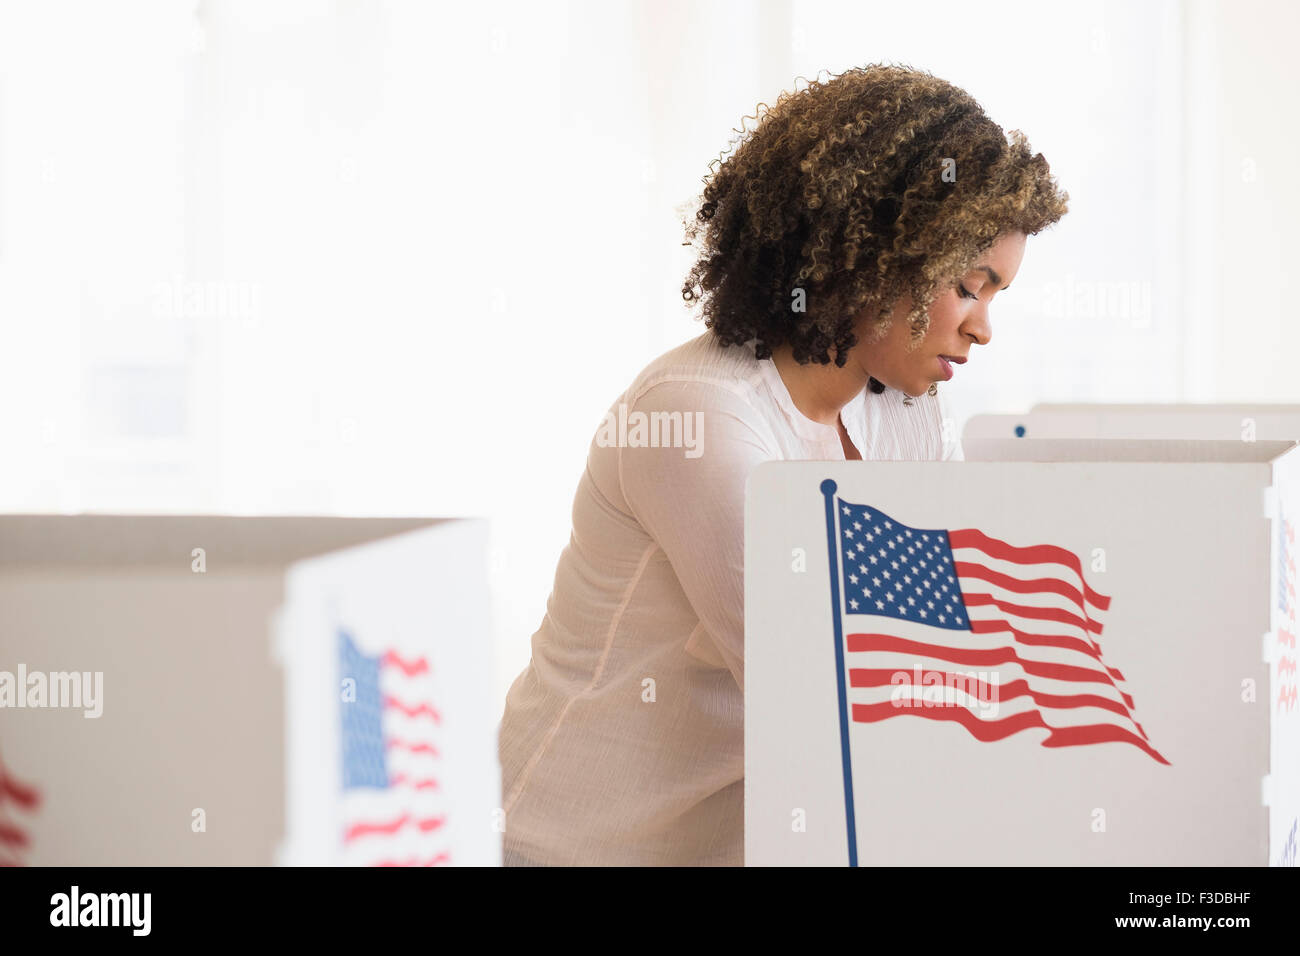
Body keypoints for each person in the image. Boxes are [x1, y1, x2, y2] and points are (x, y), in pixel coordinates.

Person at [498, 63, 1069, 865]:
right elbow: (825, 695)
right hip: (579, 848)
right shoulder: (698, 415)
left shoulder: (900, 408)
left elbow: (941, 645)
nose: (982, 329)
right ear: (878, 253)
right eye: (971, 287)